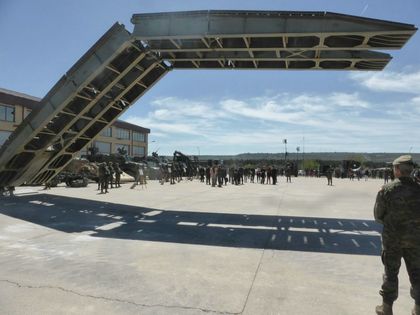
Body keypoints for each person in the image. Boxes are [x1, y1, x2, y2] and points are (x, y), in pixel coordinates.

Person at [374, 155, 420, 315]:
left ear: (398, 170)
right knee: (417, 273)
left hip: (392, 240)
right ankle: (418, 308)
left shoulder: (386, 190)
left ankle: (386, 308)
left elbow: (378, 216)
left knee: (390, 273)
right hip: (416, 241)